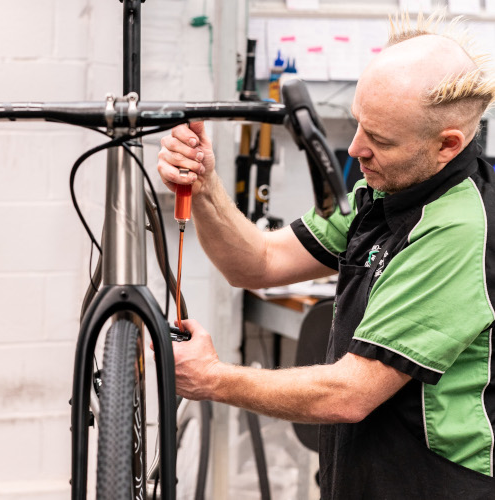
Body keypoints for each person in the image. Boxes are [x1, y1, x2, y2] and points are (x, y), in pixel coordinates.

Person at [157, 13, 495, 499]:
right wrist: (206, 187)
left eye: (378, 140)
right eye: (360, 125)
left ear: (447, 146)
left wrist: (211, 378)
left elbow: (350, 393)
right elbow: (258, 263)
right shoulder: (380, 192)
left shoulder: (458, 228)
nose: (356, 148)